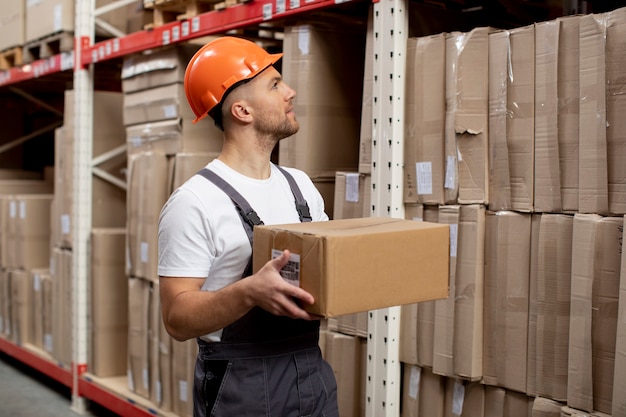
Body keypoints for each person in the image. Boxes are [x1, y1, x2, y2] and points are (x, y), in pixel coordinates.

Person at [157, 36, 339, 417]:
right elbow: (175, 318)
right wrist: (249, 292)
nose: (290, 92)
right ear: (241, 110)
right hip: (243, 384)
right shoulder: (195, 201)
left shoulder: (300, 187)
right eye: (274, 84)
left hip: (312, 371)